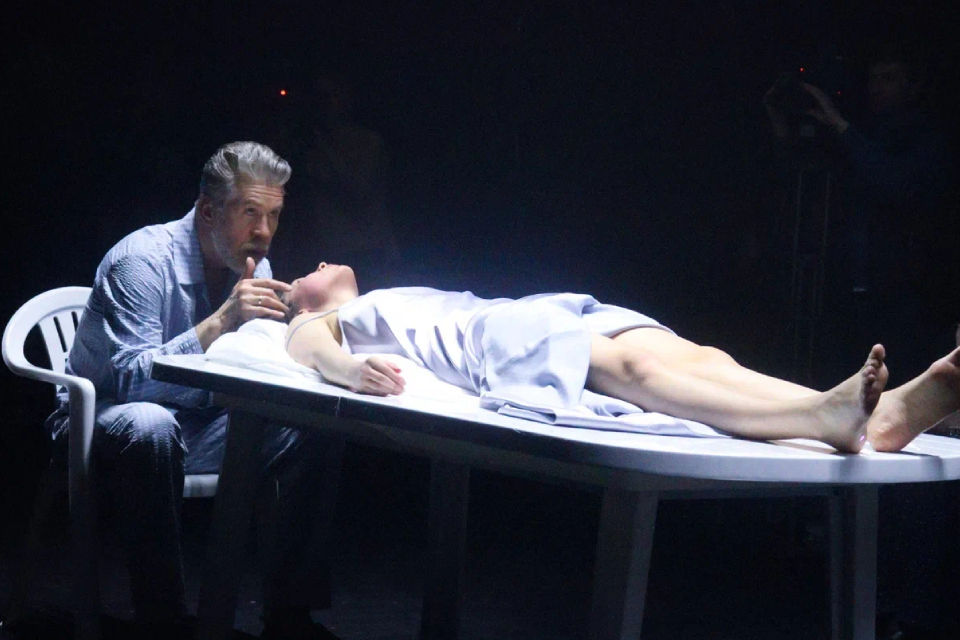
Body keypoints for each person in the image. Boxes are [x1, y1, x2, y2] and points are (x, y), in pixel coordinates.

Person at [46, 142, 339, 639]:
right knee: (151, 423)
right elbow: (130, 379)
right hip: (102, 417)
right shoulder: (140, 261)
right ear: (207, 211)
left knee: (312, 421)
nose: (264, 232)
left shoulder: (255, 267)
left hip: (196, 418)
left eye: (273, 215)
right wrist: (221, 321)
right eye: (250, 213)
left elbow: (253, 365)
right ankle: (162, 619)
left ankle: (291, 615)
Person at [279, 262, 958, 454]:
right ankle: (815, 418)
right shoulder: (326, 318)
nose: (317, 265)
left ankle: (879, 415)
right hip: (494, 330)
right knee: (637, 375)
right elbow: (305, 343)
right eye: (304, 274)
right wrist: (348, 370)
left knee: (705, 357)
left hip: (546, 304)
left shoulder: (384, 293)